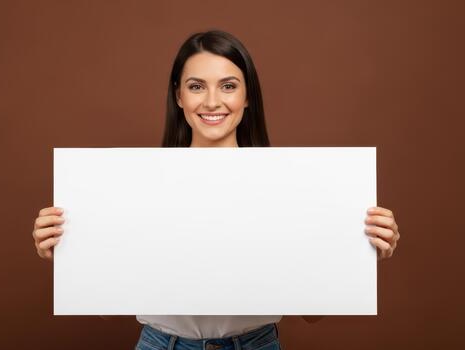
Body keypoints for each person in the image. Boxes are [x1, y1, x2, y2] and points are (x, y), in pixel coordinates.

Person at [32, 30, 401, 350]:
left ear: (247, 97)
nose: (212, 102)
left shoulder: (289, 185)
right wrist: (69, 254)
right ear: (179, 96)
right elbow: (109, 311)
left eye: (228, 86)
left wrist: (360, 252)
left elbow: (312, 313)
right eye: (196, 86)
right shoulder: (137, 185)